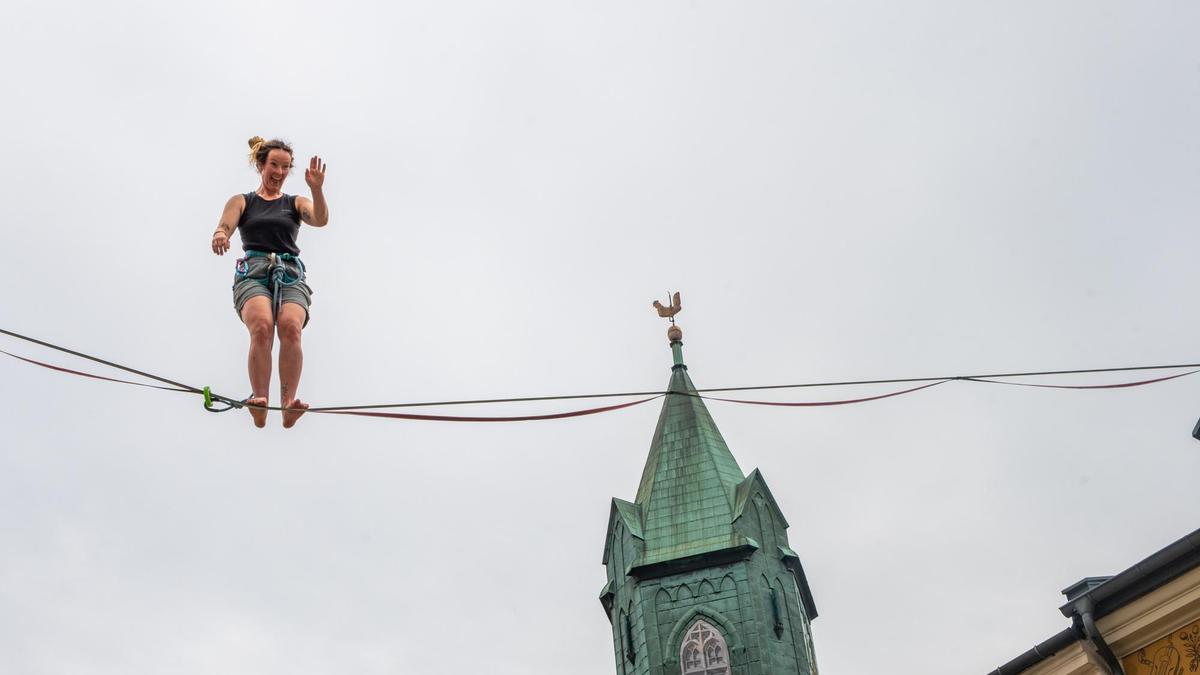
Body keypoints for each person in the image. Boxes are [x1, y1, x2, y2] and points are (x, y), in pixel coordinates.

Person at [211, 136, 328, 428]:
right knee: (262, 326)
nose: (279, 172)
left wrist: (316, 190)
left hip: (289, 272)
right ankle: (259, 401)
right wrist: (221, 234)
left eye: (285, 167)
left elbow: (320, 219)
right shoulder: (243, 201)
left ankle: (289, 404)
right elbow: (225, 223)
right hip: (254, 271)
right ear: (262, 165)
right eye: (274, 165)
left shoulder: (295, 202)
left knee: (290, 327)